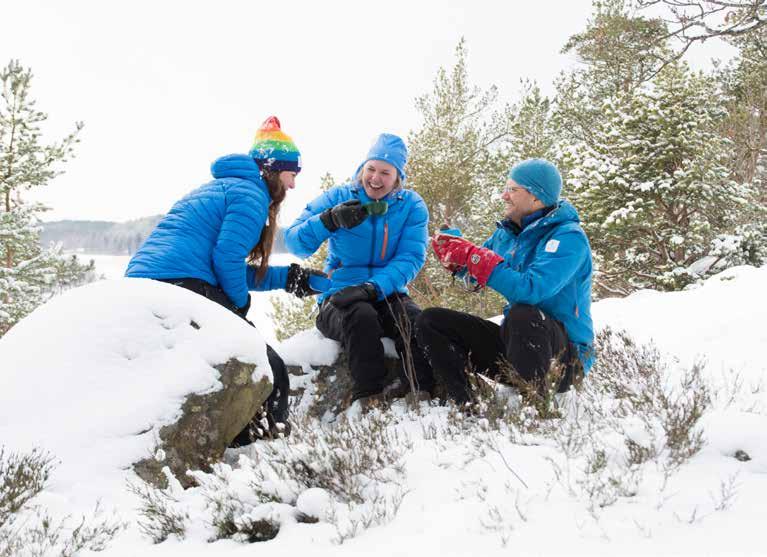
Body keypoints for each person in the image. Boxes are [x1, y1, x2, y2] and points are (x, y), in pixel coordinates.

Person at [126, 116, 325, 442]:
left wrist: (289, 278)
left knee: (218, 367)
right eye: (292, 174)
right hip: (179, 283)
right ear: (273, 170)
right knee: (265, 364)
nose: (293, 185)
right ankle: (268, 446)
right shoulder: (251, 195)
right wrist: (240, 303)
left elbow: (221, 265)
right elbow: (227, 259)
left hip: (153, 282)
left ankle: (238, 442)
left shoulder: (226, 187)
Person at [416, 158, 594, 405]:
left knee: (523, 313)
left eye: (512, 189)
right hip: (518, 346)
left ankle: (536, 408)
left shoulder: (568, 238)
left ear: (536, 197)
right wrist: (457, 258)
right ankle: (465, 404)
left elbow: (531, 289)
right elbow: (480, 272)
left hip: (564, 360)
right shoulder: (508, 233)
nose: (504, 196)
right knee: (431, 320)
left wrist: (475, 257)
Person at [284, 133, 433, 408]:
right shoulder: (339, 196)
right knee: (361, 317)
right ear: (362, 169)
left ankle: (422, 395)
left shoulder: (411, 205)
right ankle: (368, 398)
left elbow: (411, 257)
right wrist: (328, 220)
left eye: (385, 173)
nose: (375, 179)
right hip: (340, 294)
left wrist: (373, 287)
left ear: (398, 177)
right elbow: (296, 242)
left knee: (416, 322)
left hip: (386, 291)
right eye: (371, 169)